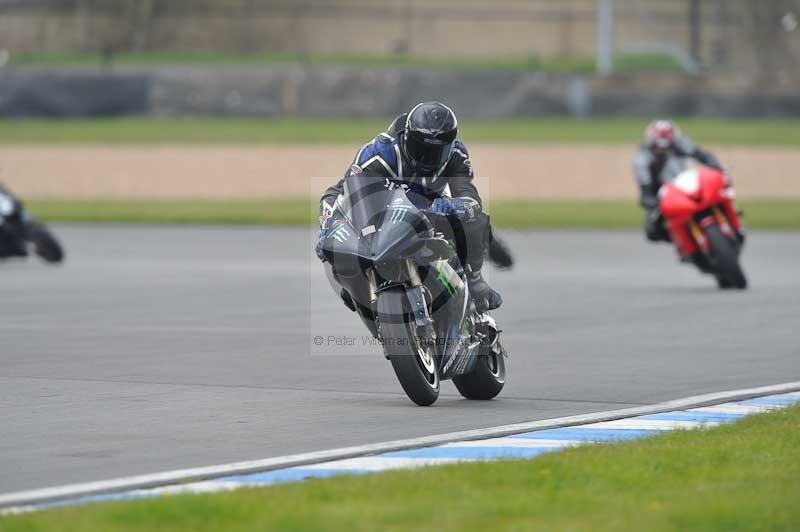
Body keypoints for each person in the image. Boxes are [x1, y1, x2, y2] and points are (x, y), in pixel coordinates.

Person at [316, 101, 502, 311]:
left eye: (437, 151)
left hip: (430, 208)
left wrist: (458, 205)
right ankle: (357, 289)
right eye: (420, 149)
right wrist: (329, 231)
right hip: (380, 208)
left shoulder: (457, 154)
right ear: (406, 137)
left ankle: (474, 280)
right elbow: (351, 197)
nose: (428, 158)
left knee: (477, 222)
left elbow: (468, 193)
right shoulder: (379, 152)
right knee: (338, 248)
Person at [633, 119, 722, 242]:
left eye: (667, 146)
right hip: (663, 194)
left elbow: (701, 155)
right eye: (659, 148)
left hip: (687, 186)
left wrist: (715, 165)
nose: (663, 150)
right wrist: (649, 199)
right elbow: (644, 185)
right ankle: (682, 242)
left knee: (716, 196)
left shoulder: (682, 144)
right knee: (652, 231)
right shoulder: (642, 158)